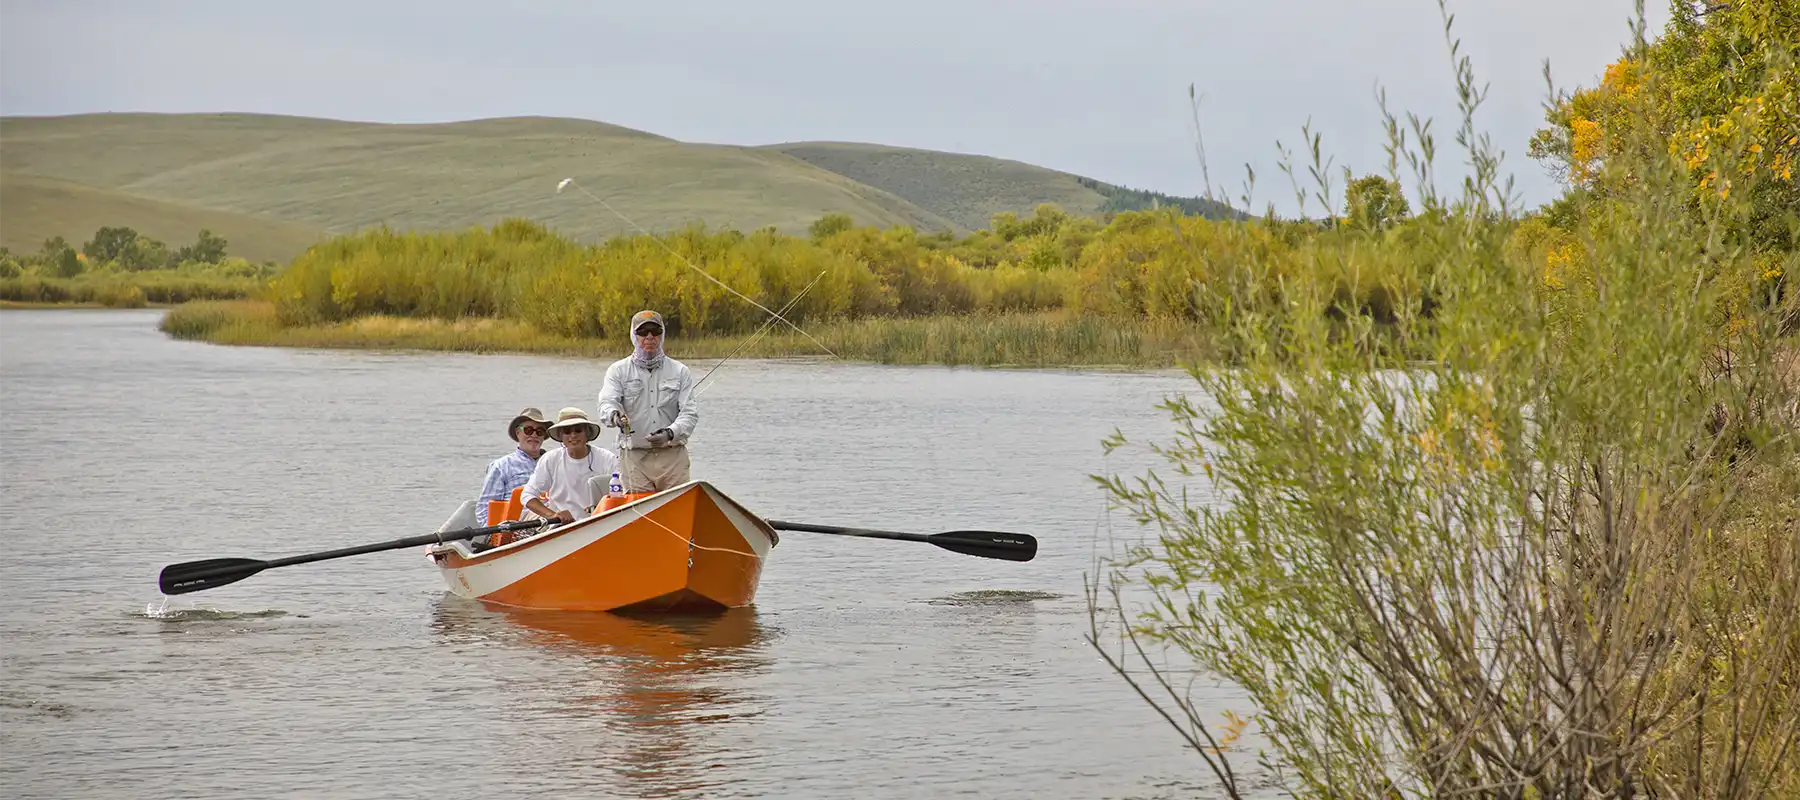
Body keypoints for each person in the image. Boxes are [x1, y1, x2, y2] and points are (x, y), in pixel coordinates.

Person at [597, 310, 698, 493]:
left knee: (676, 512)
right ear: (634, 336)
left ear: (662, 335)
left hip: (673, 457)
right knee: (641, 514)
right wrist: (615, 416)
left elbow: (689, 414)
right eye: (643, 332)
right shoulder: (617, 371)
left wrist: (669, 433)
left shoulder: (680, 371)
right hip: (634, 458)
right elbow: (606, 402)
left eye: (655, 331)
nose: (649, 337)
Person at [521, 407, 619, 525]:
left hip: (601, 523)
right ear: (560, 435)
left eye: (578, 430)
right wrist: (553, 515)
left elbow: (621, 492)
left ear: (587, 433)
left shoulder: (607, 458)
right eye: (567, 431)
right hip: (562, 527)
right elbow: (527, 496)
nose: (573, 436)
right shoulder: (550, 459)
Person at [474, 407, 552, 526]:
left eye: (539, 431)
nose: (534, 435)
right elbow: (484, 509)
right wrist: (495, 536)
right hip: (521, 525)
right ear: (518, 433)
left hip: (555, 517)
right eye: (528, 430)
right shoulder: (501, 466)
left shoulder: (553, 462)